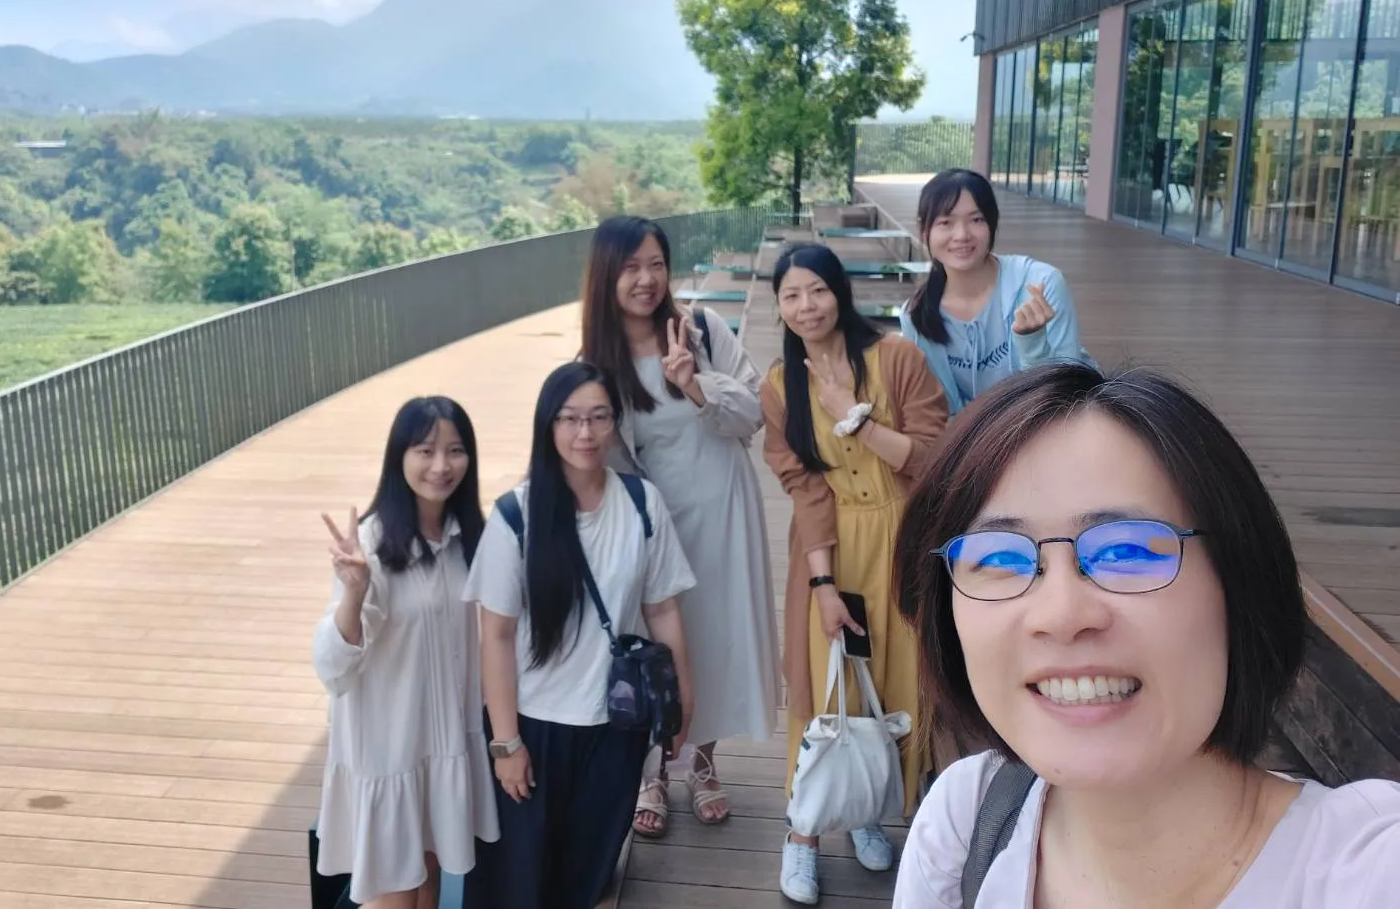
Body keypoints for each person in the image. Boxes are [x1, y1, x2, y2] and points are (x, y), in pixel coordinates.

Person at [893, 364, 1400, 908]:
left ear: (1239, 585)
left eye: (1126, 550)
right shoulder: (966, 820)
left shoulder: (1366, 872)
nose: (1061, 615)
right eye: (998, 558)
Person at [462, 361, 699, 909]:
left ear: (616, 423)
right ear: (548, 425)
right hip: (534, 728)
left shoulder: (641, 503)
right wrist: (505, 744)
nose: (585, 433)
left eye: (598, 417)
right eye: (569, 419)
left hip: (617, 726)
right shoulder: (515, 517)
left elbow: (662, 608)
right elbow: (495, 636)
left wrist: (683, 702)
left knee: (587, 878)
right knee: (518, 885)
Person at [761, 242, 950, 905]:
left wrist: (856, 417)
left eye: (816, 290)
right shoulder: (779, 386)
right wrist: (821, 586)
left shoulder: (895, 358)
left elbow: (931, 457)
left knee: (893, 687)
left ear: (838, 292)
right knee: (825, 689)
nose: (806, 306)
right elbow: (805, 487)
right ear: (779, 306)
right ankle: (803, 832)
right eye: (791, 295)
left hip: (902, 539)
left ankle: (864, 806)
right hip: (832, 547)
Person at [579, 215, 780, 837]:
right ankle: (653, 769)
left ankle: (702, 761)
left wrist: (696, 383)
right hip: (652, 518)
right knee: (656, 641)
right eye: (630, 267)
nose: (646, 279)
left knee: (713, 633)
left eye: (656, 265)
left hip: (722, 503)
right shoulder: (596, 363)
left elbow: (755, 413)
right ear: (606, 275)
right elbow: (592, 453)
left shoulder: (703, 330)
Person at [312, 397, 498, 909]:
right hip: (388, 746)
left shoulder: (469, 538)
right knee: (396, 893)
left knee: (428, 879)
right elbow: (332, 666)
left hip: (441, 740)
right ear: (400, 457)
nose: (441, 465)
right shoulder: (370, 544)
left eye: (455, 450)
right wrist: (353, 593)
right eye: (425, 450)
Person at [899, 168, 1092, 414]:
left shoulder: (1041, 285)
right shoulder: (916, 317)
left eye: (976, 220)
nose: (962, 235)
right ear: (924, 230)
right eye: (945, 222)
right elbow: (944, 412)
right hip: (979, 433)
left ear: (992, 223)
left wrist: (1033, 344)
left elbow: (1069, 392)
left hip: (1058, 423)